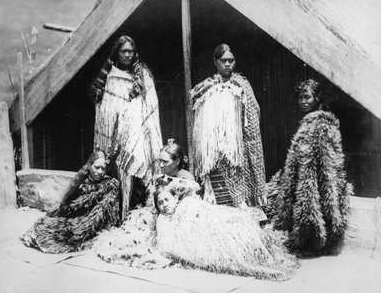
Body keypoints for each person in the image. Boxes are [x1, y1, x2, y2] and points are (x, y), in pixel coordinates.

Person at [96, 178, 299, 281]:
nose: (164, 205)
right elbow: (169, 243)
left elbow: (205, 212)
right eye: (160, 203)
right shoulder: (163, 220)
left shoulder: (187, 204)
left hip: (212, 220)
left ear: (175, 198)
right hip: (199, 237)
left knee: (236, 223)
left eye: (167, 200)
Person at [266, 79, 352, 255]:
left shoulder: (322, 125)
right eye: (300, 98)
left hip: (317, 178)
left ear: (317, 98)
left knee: (316, 206)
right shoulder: (308, 123)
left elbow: (325, 160)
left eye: (307, 97)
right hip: (308, 175)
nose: (303, 102)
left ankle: (315, 239)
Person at [90, 35, 163, 219]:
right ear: (117, 52)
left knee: (136, 171)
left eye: (131, 51)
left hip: (138, 133)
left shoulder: (143, 74)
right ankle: (118, 214)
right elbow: (104, 108)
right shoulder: (110, 76)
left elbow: (151, 103)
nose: (128, 55)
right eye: (124, 51)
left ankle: (132, 213)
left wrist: (137, 119)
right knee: (118, 174)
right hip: (114, 135)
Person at [190, 44, 266, 208]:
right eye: (223, 60)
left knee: (239, 194)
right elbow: (197, 115)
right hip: (214, 149)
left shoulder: (242, 86)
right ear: (215, 62)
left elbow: (253, 114)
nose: (227, 64)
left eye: (231, 60)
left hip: (238, 149)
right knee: (217, 198)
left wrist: (242, 140)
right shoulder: (207, 87)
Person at [21, 151, 120, 254]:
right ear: (90, 166)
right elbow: (69, 204)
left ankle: (40, 238)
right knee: (48, 222)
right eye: (97, 167)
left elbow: (102, 211)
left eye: (103, 168)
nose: (99, 172)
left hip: (89, 222)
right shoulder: (82, 181)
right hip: (74, 215)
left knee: (66, 234)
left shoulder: (108, 185)